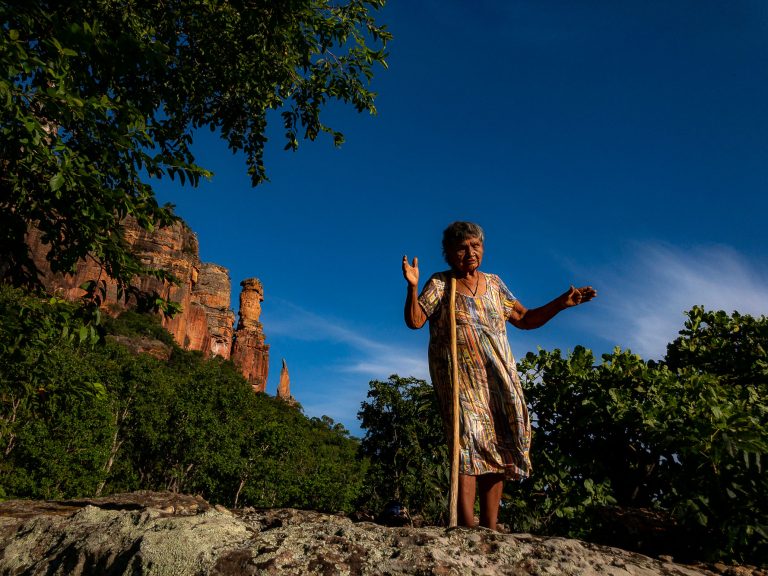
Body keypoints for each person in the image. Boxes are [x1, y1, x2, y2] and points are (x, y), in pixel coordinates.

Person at [402, 221, 596, 531]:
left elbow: (525, 318)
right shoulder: (441, 283)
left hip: (498, 376)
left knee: (497, 442)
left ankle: (490, 529)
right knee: (468, 441)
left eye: (475, 245)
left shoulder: (494, 284)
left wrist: (562, 303)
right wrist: (412, 287)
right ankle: (466, 527)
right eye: (463, 247)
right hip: (461, 379)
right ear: (449, 253)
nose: (471, 252)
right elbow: (415, 320)